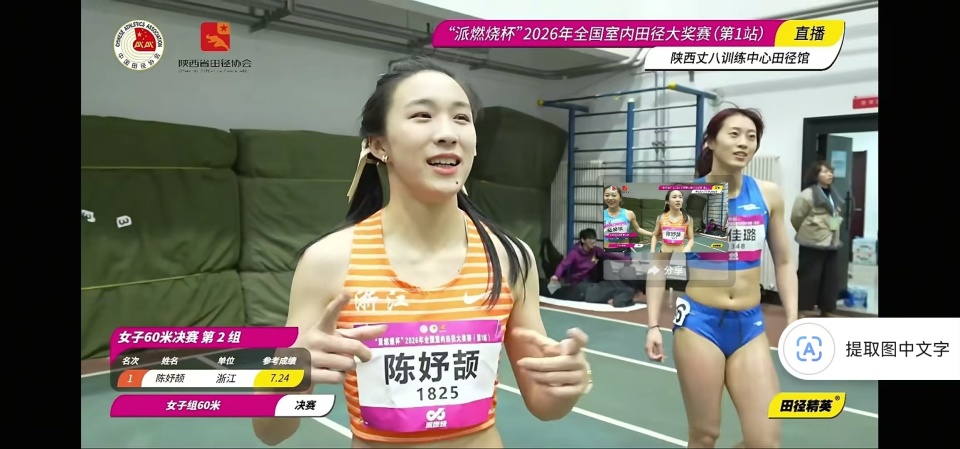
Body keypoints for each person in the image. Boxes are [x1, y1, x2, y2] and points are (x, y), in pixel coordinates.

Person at [252, 57, 592, 449]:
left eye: (461, 118)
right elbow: (270, 431)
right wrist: (293, 373)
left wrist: (565, 384)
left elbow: (545, 406)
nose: (447, 133)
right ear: (379, 145)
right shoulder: (327, 262)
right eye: (422, 116)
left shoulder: (510, 258)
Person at [644, 108, 798, 448]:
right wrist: (653, 325)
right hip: (700, 324)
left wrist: (792, 319)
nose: (744, 143)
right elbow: (658, 266)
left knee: (765, 442)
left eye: (751, 137)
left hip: (750, 325)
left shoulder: (769, 195)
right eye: (734, 134)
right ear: (711, 142)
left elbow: (785, 262)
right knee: (704, 435)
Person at [791, 161, 844, 318]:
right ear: (816, 175)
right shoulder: (807, 195)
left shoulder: (834, 194)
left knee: (830, 279)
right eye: (825, 172)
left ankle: (826, 309)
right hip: (812, 242)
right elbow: (796, 217)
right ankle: (801, 309)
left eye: (831, 171)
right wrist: (808, 232)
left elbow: (835, 215)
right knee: (808, 278)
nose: (829, 174)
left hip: (831, 242)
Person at [549, 228, 637, 307]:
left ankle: (609, 285)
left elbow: (610, 255)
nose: (593, 241)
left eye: (594, 238)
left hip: (592, 280)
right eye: (590, 239)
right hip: (579, 283)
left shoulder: (595, 250)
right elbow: (563, 265)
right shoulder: (574, 253)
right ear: (583, 240)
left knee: (604, 259)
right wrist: (556, 276)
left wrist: (629, 259)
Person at [602, 185, 653, 250]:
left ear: (620, 198)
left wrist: (652, 234)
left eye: (614, 195)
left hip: (625, 249)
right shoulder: (600, 214)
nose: (610, 198)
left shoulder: (629, 213)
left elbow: (638, 229)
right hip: (607, 250)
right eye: (607, 195)